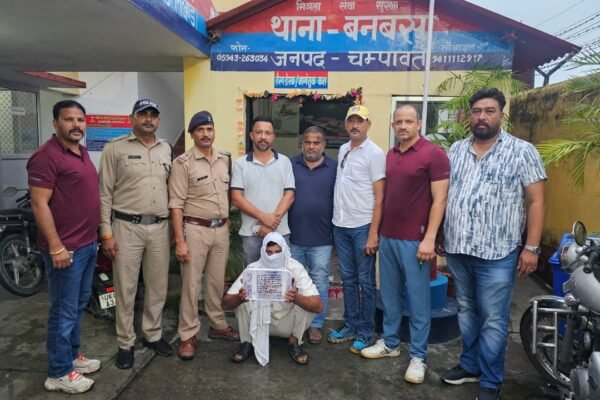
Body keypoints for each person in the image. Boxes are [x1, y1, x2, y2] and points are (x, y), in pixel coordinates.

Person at [440, 88, 546, 400]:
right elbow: (447, 195)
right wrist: (442, 233)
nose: (482, 117)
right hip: (459, 248)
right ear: (469, 116)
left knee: (493, 319)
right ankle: (470, 365)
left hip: (497, 253)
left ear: (501, 114)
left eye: (489, 111)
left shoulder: (522, 151)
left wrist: (532, 248)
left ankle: (490, 382)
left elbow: (537, 201)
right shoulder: (456, 150)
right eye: (476, 111)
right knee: (466, 310)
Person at [360, 105, 450, 384]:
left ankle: (419, 356)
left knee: (419, 301)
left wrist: (430, 238)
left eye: (408, 121)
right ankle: (390, 343)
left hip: (417, 241)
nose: (403, 126)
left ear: (419, 124)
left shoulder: (433, 154)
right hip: (388, 237)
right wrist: (376, 233)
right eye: (398, 121)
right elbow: (384, 197)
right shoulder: (390, 154)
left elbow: (440, 200)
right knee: (389, 295)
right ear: (392, 125)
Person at [28, 100, 101, 393]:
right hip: (65, 249)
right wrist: (56, 247)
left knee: (78, 304)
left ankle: (71, 356)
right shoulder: (45, 157)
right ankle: (58, 372)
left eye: (80, 120)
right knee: (63, 310)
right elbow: (39, 204)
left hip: (86, 244)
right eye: (69, 119)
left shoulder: (81, 152)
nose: (76, 125)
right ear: (55, 122)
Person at [99, 99, 173, 369]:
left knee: (157, 286)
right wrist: (106, 233)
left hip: (159, 227)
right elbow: (104, 194)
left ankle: (152, 335)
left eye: (153, 115)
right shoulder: (115, 148)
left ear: (158, 120)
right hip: (126, 227)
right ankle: (125, 342)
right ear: (132, 118)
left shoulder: (166, 148)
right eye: (143, 114)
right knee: (126, 287)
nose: (148, 119)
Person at [168, 111, 239, 360]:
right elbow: (176, 205)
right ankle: (188, 334)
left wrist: (227, 218)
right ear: (192, 134)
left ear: (214, 131)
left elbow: (227, 193)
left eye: (209, 129)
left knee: (216, 282)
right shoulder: (183, 163)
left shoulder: (225, 159)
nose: (205, 134)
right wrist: (179, 240)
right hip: (195, 230)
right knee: (191, 285)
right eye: (200, 130)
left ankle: (217, 324)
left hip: (221, 230)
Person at [327, 105, 386, 354]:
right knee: (348, 280)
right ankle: (350, 324)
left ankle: (366, 331)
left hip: (363, 227)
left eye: (359, 121)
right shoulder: (343, 149)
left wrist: (373, 233)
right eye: (351, 120)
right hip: (341, 225)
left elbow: (380, 197)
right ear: (345, 124)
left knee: (366, 282)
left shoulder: (375, 153)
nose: (354, 125)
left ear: (368, 124)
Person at [222, 232, 322, 366]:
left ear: (284, 251)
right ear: (263, 252)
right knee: (243, 299)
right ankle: (247, 342)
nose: (273, 256)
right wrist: (240, 298)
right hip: (258, 322)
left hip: (287, 324)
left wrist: (295, 298)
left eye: (278, 252)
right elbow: (225, 304)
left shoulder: (295, 268)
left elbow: (318, 306)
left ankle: (294, 341)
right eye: (269, 252)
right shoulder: (253, 269)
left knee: (305, 303)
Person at [288, 126, 336, 345]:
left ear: (323, 144)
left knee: (319, 281)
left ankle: (316, 323)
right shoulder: (290, 165)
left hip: (322, 238)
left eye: (316, 142)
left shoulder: (333, 168)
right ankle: (294, 322)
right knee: (294, 282)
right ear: (302, 143)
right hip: (293, 236)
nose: (311, 146)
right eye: (307, 142)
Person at [231, 116, 295, 266]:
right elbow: (236, 198)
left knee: (281, 275)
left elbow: (290, 195)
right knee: (253, 275)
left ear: (273, 136)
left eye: (267, 133)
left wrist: (270, 224)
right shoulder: (241, 164)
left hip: (280, 232)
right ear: (251, 135)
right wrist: (263, 218)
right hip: (251, 234)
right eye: (259, 132)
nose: (263, 137)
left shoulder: (285, 162)